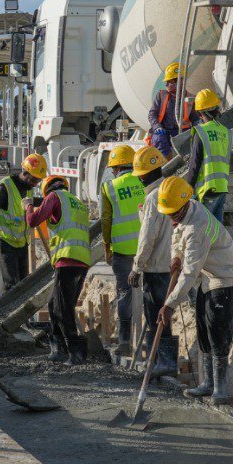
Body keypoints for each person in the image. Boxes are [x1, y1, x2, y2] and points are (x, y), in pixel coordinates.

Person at [155, 175, 233, 403]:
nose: (170, 217)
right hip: (207, 276)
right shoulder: (186, 209)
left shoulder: (197, 227)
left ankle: (220, 389)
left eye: (173, 213)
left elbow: (189, 273)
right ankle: (207, 384)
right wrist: (175, 256)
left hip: (223, 277)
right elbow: (176, 234)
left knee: (217, 331)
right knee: (203, 328)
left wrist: (169, 305)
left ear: (183, 204)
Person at [27, 174, 92, 365]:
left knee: (62, 308)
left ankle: (76, 353)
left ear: (47, 190)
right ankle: (59, 349)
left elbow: (32, 220)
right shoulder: (76, 201)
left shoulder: (54, 198)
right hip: (82, 258)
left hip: (67, 257)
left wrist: (28, 206)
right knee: (55, 305)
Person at [127, 146, 175, 377]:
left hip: (156, 266)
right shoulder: (171, 190)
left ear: (145, 174)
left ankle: (160, 362)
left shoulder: (152, 197)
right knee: (164, 313)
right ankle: (160, 361)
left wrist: (137, 267)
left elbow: (147, 237)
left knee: (155, 314)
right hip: (172, 265)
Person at [99, 145, 143, 358]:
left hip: (123, 251)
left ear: (116, 168)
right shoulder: (145, 182)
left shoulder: (110, 187)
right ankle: (149, 342)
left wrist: (107, 247)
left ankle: (125, 342)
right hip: (147, 249)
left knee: (125, 293)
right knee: (151, 295)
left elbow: (105, 220)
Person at [0, 153, 47, 291]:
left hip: (21, 244)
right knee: (11, 287)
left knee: (24, 286)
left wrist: (52, 199)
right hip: (5, 244)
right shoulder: (4, 188)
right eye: (34, 180)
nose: (36, 184)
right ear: (26, 173)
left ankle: (23, 312)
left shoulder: (27, 189)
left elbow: (31, 202)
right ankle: (6, 313)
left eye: (38, 181)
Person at [183, 88, 231, 221]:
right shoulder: (226, 132)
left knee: (204, 231)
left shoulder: (201, 132)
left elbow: (195, 164)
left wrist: (188, 190)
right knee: (217, 231)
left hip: (207, 190)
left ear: (200, 113)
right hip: (222, 187)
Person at [147, 62, 185, 159]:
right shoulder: (161, 95)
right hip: (163, 131)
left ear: (180, 81)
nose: (166, 84)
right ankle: (167, 165)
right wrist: (157, 126)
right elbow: (152, 114)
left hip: (180, 132)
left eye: (170, 82)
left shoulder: (189, 97)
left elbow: (195, 118)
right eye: (166, 82)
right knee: (159, 138)